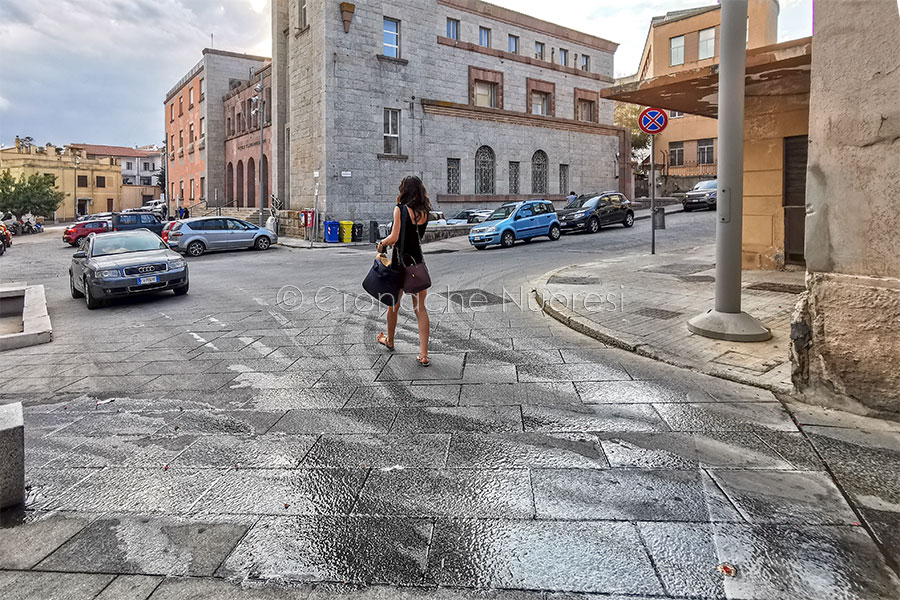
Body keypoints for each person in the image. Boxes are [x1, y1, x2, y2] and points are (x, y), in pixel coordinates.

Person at [376, 175, 432, 366]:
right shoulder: (424, 212)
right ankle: (423, 354)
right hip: (417, 263)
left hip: (400, 264)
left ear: (404, 190)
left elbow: (394, 236)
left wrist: (381, 243)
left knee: (393, 305)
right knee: (420, 308)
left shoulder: (400, 210)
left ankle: (390, 340)